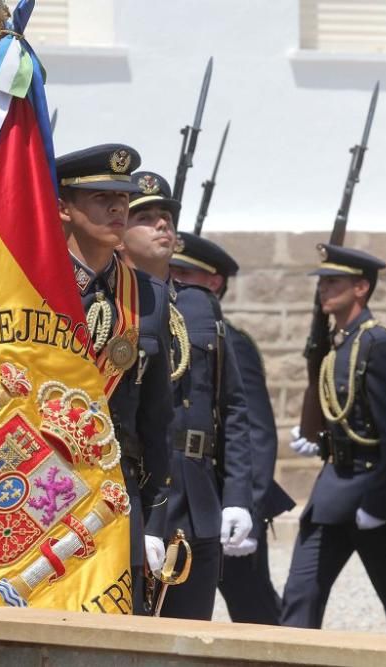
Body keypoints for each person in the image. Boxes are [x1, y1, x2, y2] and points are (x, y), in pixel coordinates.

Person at [119, 172, 254, 620]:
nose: (162, 225)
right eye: (146, 217)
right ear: (120, 231)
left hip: (198, 498)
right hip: (138, 497)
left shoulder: (198, 305)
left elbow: (231, 405)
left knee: (191, 633)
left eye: (166, 217)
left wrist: (237, 494)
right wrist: (148, 520)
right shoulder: (113, 306)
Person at [281, 244, 386, 636]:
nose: (324, 289)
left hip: (373, 488)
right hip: (334, 488)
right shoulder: (340, 342)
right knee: (301, 592)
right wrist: (318, 440)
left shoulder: (377, 343)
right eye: (323, 282)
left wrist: (379, 503)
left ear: (361, 288)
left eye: (334, 282)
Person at [56, 145, 173, 614]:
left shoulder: (149, 295)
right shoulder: (35, 286)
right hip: (50, 482)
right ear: (64, 207)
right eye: (101, 197)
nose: (117, 208)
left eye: (122, 198)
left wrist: (154, 517)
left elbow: (158, 414)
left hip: (117, 489)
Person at [168, 233, 297, 625]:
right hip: (190, 493)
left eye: (186, 273)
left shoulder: (231, 341)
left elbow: (255, 429)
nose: (175, 278)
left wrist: (249, 508)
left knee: (253, 607)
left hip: (224, 497)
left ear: (214, 283)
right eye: (173, 270)